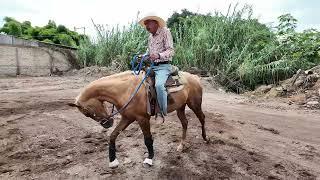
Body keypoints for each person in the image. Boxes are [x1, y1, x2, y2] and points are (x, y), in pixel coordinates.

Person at [139, 13, 175, 117]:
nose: (146, 26)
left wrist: (159, 55)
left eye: (148, 23)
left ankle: (162, 113)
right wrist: (143, 56)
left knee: (159, 86)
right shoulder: (150, 37)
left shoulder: (165, 32)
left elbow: (171, 50)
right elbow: (149, 52)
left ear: (155, 23)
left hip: (163, 66)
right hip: (153, 66)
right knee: (138, 81)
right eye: (145, 24)